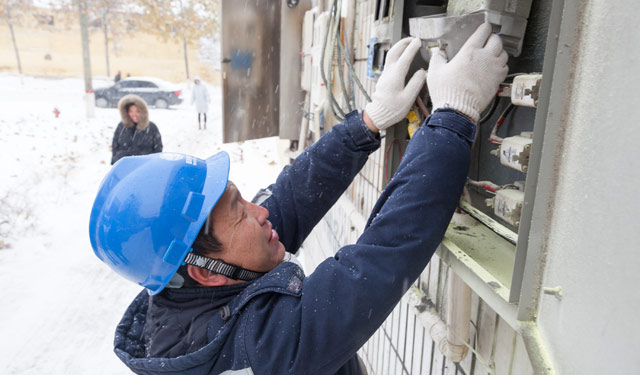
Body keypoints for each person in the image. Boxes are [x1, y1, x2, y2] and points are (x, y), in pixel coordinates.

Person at [90, 23, 507, 375]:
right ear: (205, 272)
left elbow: (287, 199)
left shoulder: (192, 283)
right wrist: (455, 115)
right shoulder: (259, 355)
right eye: (239, 214)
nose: (259, 211)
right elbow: (382, 257)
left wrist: (368, 122)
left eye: (240, 199)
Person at [110, 94, 163, 165]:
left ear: (143, 112)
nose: (134, 114)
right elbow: (115, 145)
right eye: (131, 111)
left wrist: (154, 164)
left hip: (144, 167)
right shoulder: (121, 126)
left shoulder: (151, 127)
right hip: (124, 167)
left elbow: (158, 148)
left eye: (138, 111)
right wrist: (115, 161)